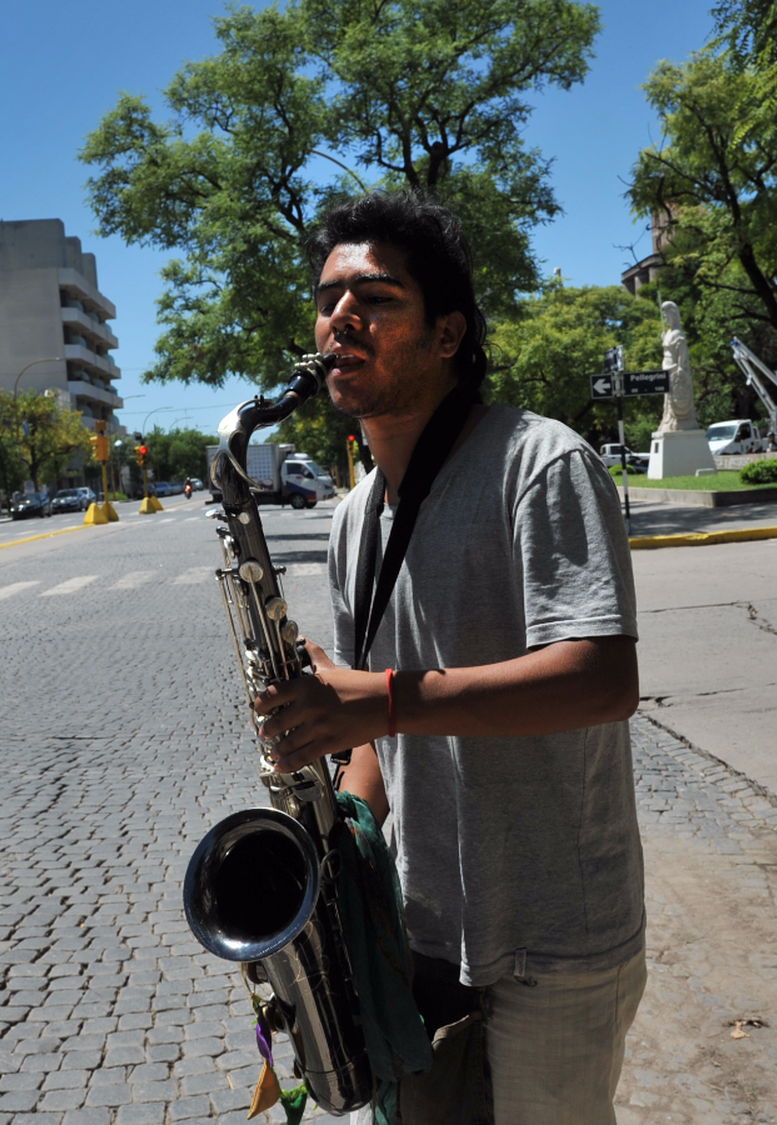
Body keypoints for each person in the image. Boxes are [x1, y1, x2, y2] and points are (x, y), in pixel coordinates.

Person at [253, 191, 644, 1125]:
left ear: (447, 335)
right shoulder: (353, 517)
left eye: (376, 298)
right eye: (328, 297)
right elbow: (377, 742)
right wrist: (335, 817)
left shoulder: (539, 463)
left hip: (554, 934)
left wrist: (380, 698)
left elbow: (602, 678)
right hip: (419, 929)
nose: (340, 316)